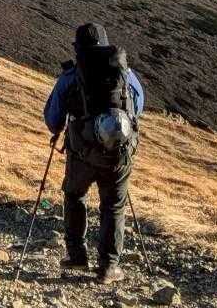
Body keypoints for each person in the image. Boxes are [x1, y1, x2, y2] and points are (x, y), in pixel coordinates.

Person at [43, 22, 144, 283]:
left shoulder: (70, 76)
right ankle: (108, 267)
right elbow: (138, 107)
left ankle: (77, 255)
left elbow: (53, 120)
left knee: (75, 195)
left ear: (78, 48)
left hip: (82, 153)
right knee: (113, 205)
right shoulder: (126, 75)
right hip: (119, 153)